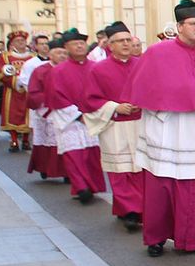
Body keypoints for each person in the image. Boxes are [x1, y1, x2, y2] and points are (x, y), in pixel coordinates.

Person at [126, 0, 195, 257]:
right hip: (165, 128)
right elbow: (143, 90)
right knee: (160, 185)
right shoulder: (156, 53)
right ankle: (156, 238)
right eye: (194, 24)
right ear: (179, 26)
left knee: (194, 189)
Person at [87, 22, 144, 231]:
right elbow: (90, 100)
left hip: (140, 124)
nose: (127, 44)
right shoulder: (98, 70)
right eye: (121, 41)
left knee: (140, 170)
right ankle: (130, 211)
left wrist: (143, 102)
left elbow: (154, 90)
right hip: (114, 126)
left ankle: (138, 208)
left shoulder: (141, 65)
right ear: (110, 45)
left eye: (129, 40)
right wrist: (115, 107)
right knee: (120, 172)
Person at [45, 28, 107, 204]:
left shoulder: (96, 68)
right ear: (66, 47)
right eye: (75, 44)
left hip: (94, 117)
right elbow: (56, 96)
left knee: (92, 155)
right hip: (70, 120)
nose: (80, 46)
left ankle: (92, 185)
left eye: (82, 43)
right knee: (74, 155)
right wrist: (77, 115)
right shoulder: (58, 71)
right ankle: (81, 187)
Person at [25, 41, 67, 182]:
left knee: (67, 144)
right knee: (47, 142)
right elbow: (34, 92)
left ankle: (68, 172)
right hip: (46, 112)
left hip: (67, 113)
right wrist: (49, 100)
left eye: (64, 53)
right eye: (58, 53)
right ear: (50, 54)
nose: (62, 56)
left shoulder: (70, 69)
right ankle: (45, 167)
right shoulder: (40, 71)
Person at [0, 30, 36, 152]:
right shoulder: (6, 57)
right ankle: (14, 140)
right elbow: (1, 73)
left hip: (28, 91)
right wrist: (16, 82)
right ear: (12, 43)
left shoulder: (33, 57)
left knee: (28, 116)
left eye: (23, 41)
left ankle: (25, 140)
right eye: (17, 41)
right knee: (12, 115)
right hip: (12, 91)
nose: (21, 43)